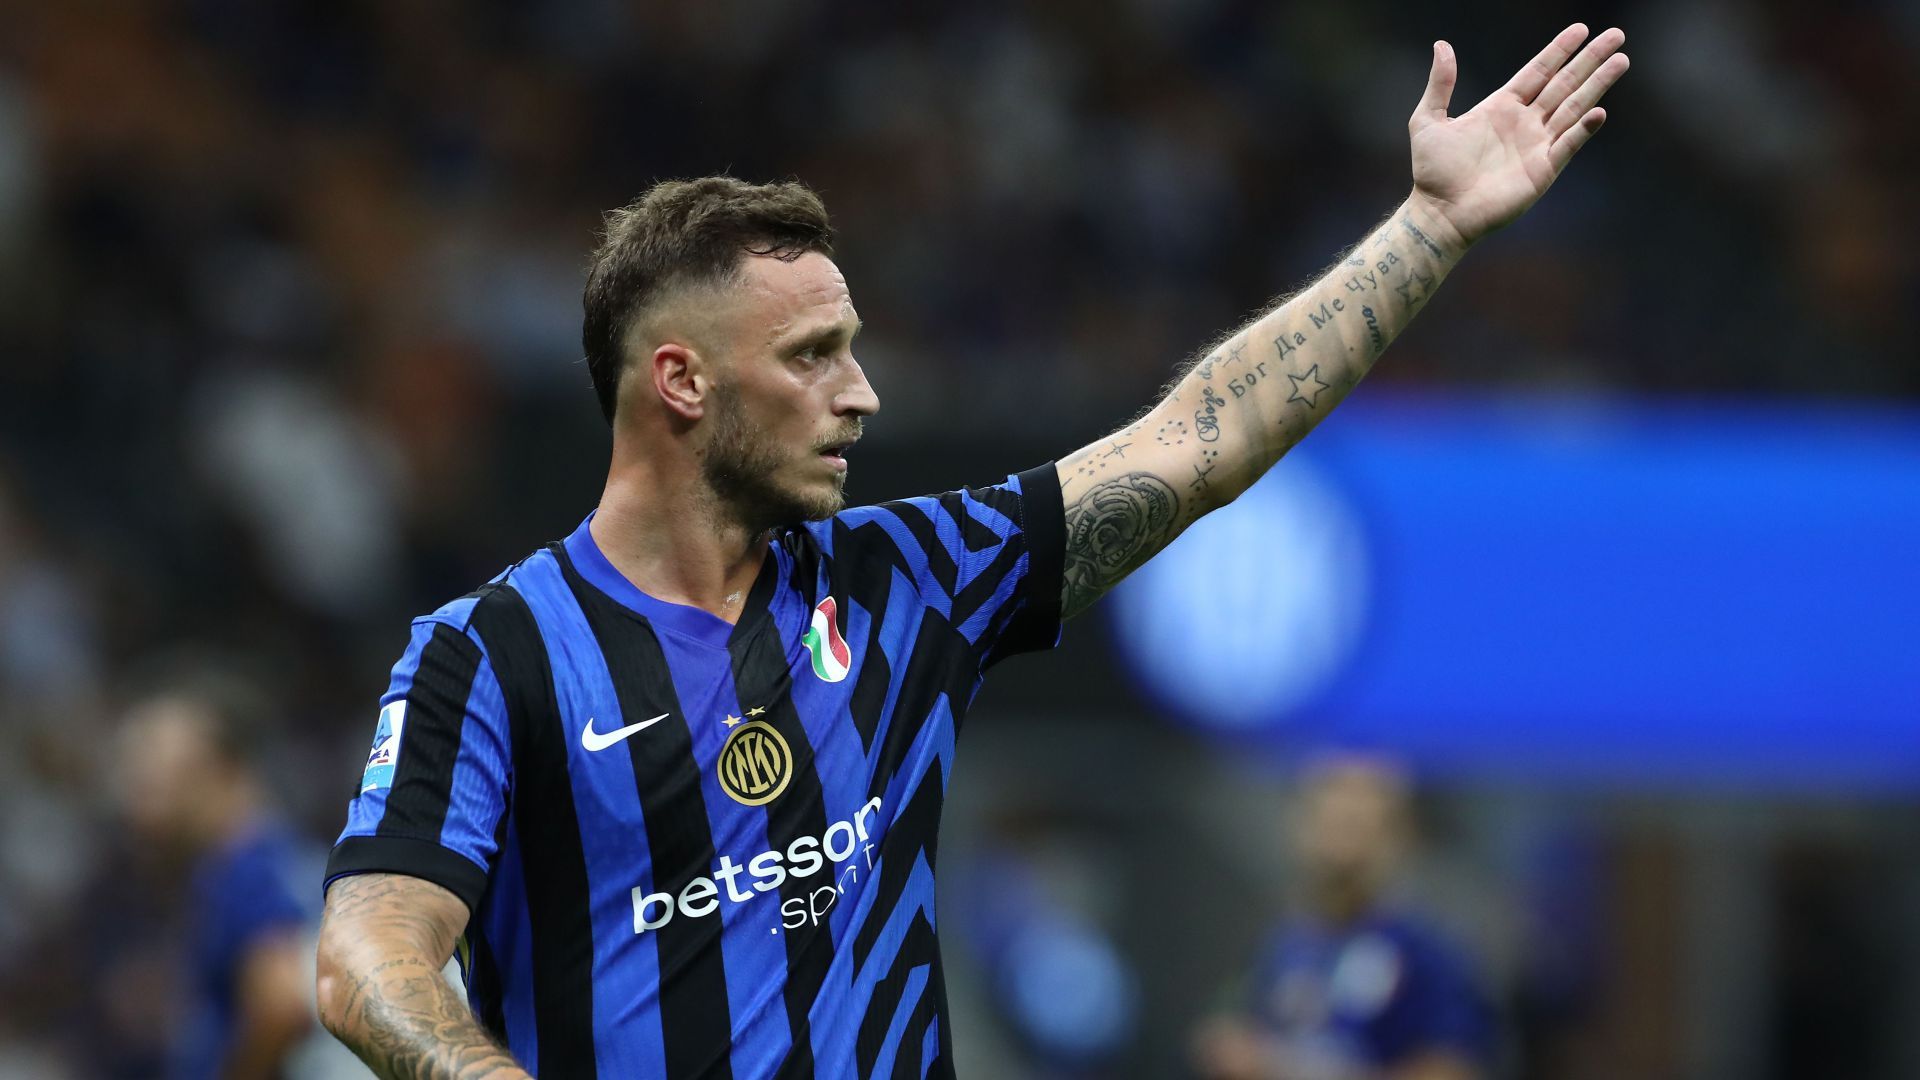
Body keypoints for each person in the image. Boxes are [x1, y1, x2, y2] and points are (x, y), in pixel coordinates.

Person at [314, 23, 1629, 1079]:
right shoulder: (488, 659)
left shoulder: (909, 579)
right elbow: (368, 960)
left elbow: (1198, 442)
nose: (862, 394)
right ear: (682, 382)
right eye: (813, 356)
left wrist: (1428, 229)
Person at [1192, 756, 1493, 1080]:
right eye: (1329, 821)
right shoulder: (1281, 946)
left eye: (1357, 825)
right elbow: (1239, 1033)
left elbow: (1453, 1068)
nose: (1342, 845)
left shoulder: (1427, 953)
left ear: (1398, 836)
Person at [116, 676, 318, 1080]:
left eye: (158, 781)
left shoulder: (250, 870)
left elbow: (282, 1003)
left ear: (223, 770)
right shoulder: (232, 866)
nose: (139, 803)